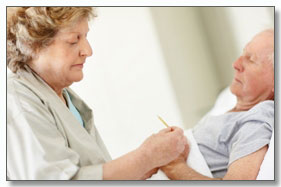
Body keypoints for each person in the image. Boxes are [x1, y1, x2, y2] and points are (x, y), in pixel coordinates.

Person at [7, 7, 188, 180]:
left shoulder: (62, 96)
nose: (88, 51)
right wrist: (145, 157)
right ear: (32, 44)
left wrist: (146, 165)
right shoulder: (17, 100)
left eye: (85, 37)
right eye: (73, 40)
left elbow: (90, 172)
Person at [159, 29, 274, 180]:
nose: (236, 64)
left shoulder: (261, 116)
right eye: (243, 53)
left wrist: (175, 167)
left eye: (251, 59)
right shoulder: (232, 109)